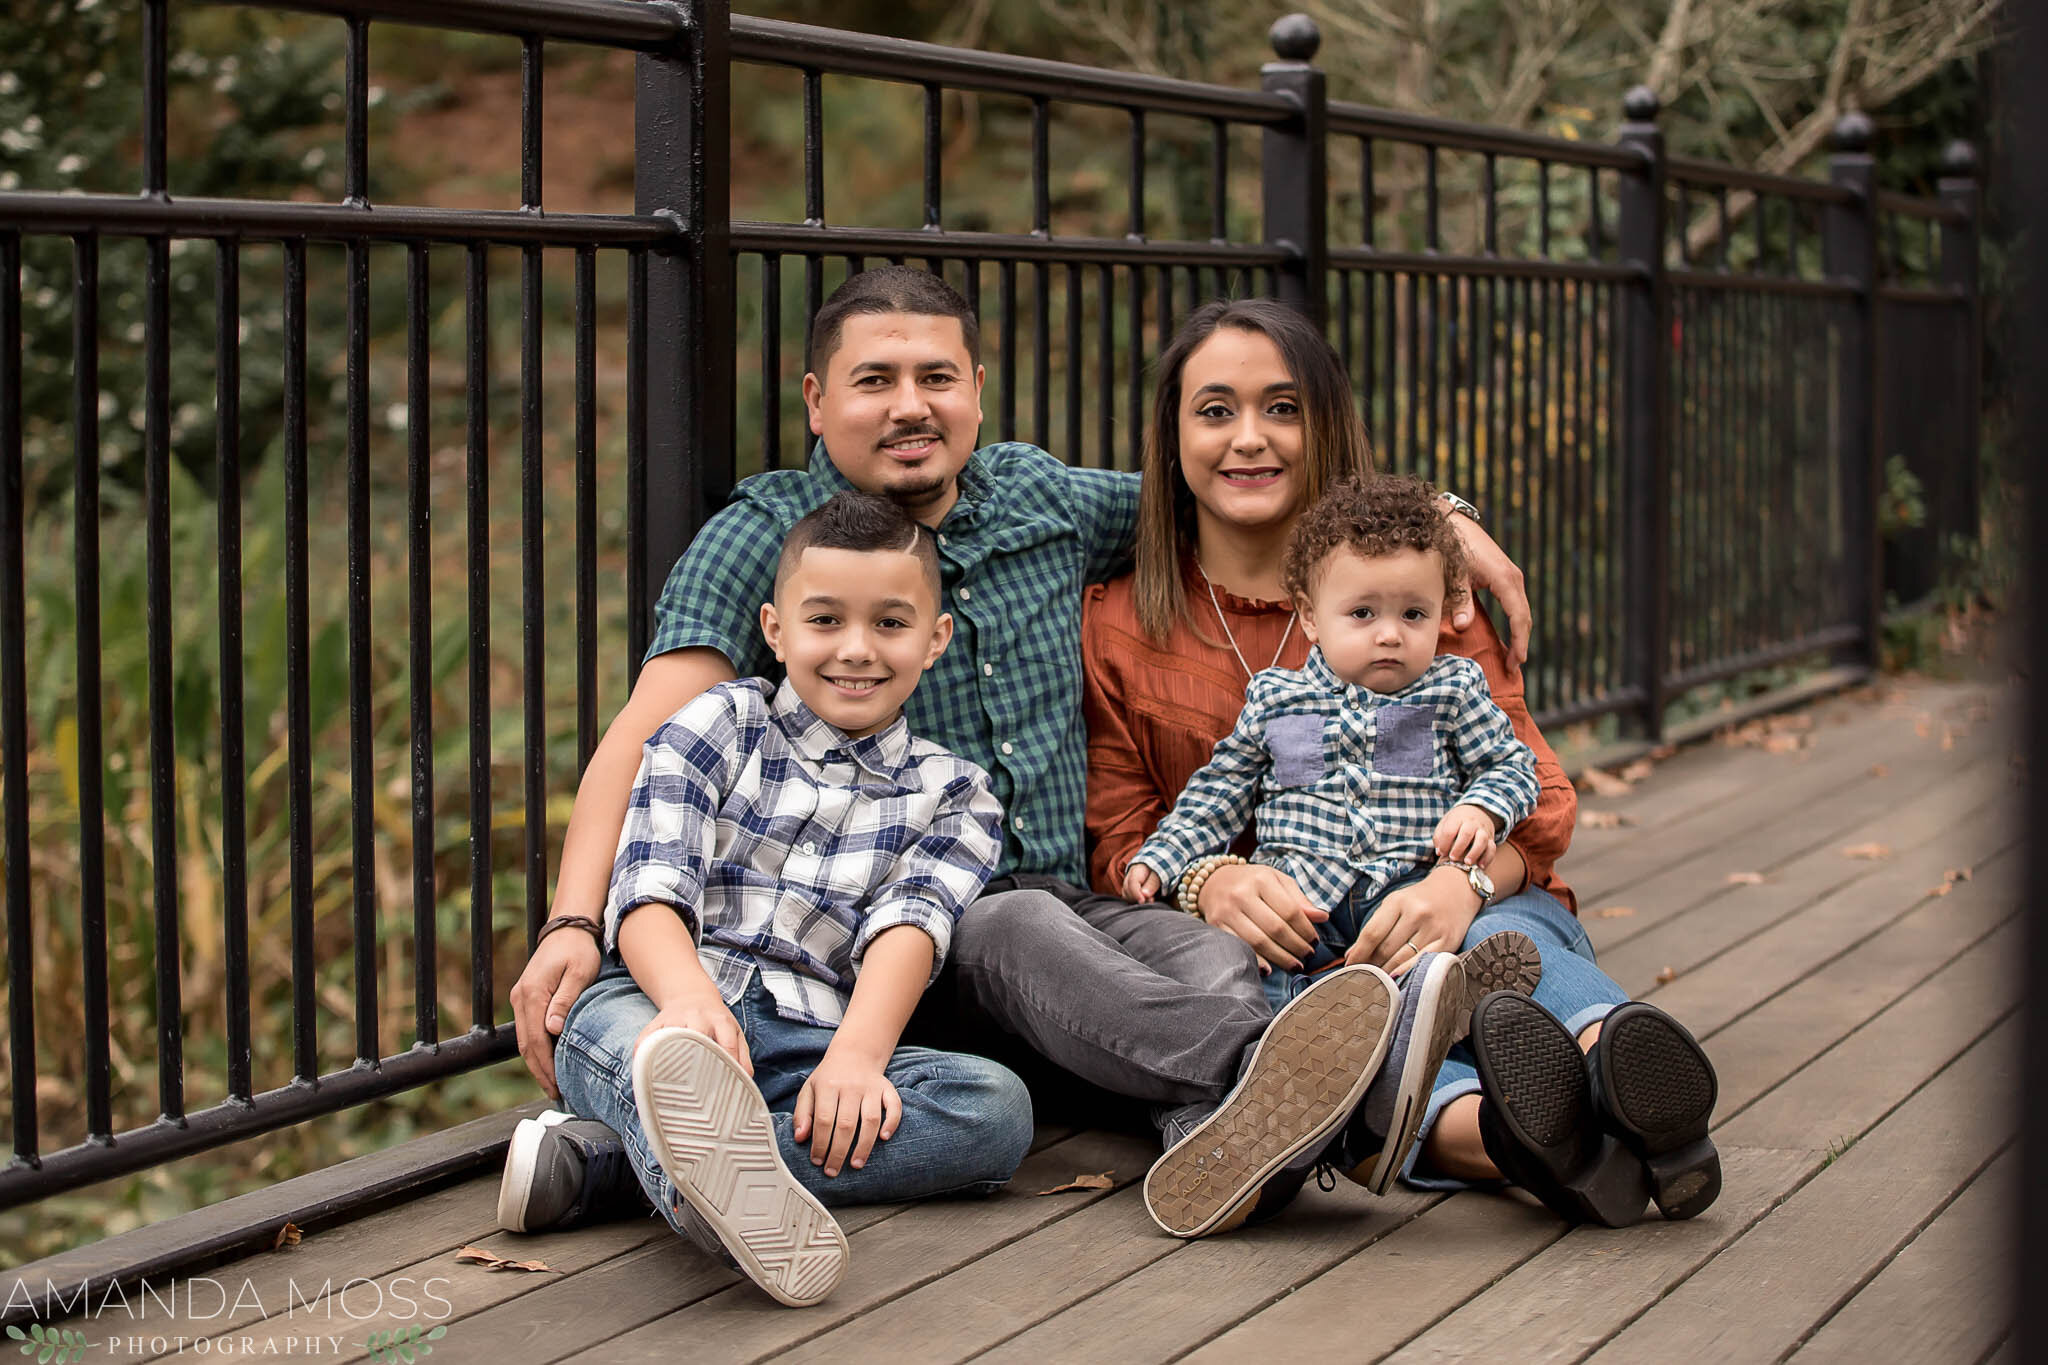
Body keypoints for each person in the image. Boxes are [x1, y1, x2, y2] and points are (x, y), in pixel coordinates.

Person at [497, 267, 1538, 1245]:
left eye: (935, 378)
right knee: (1021, 926)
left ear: (976, 392)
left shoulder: (1038, 498)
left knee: (1207, 953)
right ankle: (1351, 1101)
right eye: (874, 381)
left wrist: (1444, 520)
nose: (910, 405)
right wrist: (574, 922)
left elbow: (1234, 475)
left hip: (1073, 899)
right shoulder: (775, 536)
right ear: (817, 400)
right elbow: (645, 742)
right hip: (918, 925)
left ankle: (1219, 1147)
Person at [1083, 297, 1721, 1226]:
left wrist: (1460, 882)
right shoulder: (1119, 621)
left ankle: (1600, 1063)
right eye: (1215, 409)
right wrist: (1209, 881)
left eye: (1285, 407)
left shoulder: (1420, 598)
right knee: (1315, 1035)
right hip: (1291, 947)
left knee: (1510, 947)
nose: (1249, 438)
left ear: (1327, 424)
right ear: (1173, 433)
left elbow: (1540, 807)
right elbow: (1122, 838)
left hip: (1468, 900)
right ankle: (1561, 1134)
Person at [529, 491, 1032, 1308]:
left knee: (996, 1110)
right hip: (658, 1002)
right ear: (774, 628)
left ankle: (637, 1171)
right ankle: (704, 1169)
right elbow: (651, 888)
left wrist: (859, 1057)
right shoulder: (718, 723)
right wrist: (690, 1000)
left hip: (811, 1044)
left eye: (891, 624)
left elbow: (912, 923)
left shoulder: (956, 792)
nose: (857, 650)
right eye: (825, 620)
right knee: (629, 1047)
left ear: (936, 639)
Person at [1122, 474, 1545, 1203]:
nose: (1390, 632)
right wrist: (1161, 858)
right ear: (1311, 618)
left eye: (1414, 613)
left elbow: (1514, 767)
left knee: (1418, 976)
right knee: (1261, 990)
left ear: (1443, 614)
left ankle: (1438, 1014)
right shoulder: (1276, 699)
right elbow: (1218, 794)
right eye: (1363, 613)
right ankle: (1273, 1094)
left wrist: (1483, 810)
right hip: (1304, 917)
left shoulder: (1451, 691)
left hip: (1405, 902)